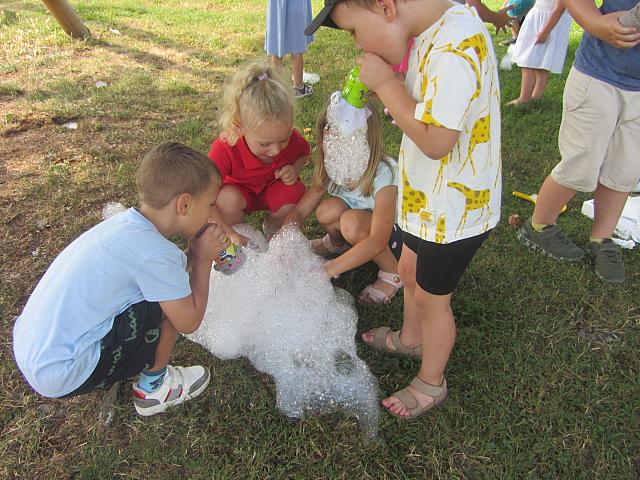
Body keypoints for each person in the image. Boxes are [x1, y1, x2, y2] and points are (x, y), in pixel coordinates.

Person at [306, 0, 501, 418]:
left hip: (455, 211)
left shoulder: (456, 47)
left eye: (356, 31)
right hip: (426, 198)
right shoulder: (433, 33)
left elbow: (435, 140)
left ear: (385, 7)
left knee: (433, 300)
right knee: (408, 272)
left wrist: (386, 86)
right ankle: (411, 340)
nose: (359, 45)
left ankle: (431, 382)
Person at [13, 143, 229, 416]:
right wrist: (202, 260)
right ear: (184, 204)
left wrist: (194, 254)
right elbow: (188, 320)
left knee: (165, 292)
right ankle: (154, 390)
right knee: (165, 310)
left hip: (34, 347)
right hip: (63, 370)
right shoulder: (156, 253)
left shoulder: (126, 226)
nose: (211, 212)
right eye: (209, 204)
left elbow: (161, 273)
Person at [516, 0, 640, 283]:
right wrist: (595, 23)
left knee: (624, 169)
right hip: (598, 78)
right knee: (580, 164)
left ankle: (602, 240)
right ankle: (539, 226)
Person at [285, 94, 403, 305]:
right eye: (329, 130)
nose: (334, 139)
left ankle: (392, 272)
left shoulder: (385, 174)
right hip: (361, 226)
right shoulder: (333, 168)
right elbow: (301, 211)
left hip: (394, 238)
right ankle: (337, 245)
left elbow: (378, 240)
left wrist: (328, 270)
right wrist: (283, 240)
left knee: (350, 222)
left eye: (345, 135)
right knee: (327, 210)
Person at [208, 62, 310, 240]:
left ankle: (273, 226)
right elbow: (204, 197)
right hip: (238, 192)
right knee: (225, 201)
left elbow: (303, 153)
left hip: (272, 189)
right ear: (238, 128)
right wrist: (230, 233)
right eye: (265, 144)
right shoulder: (224, 148)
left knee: (295, 192)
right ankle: (240, 232)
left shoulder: (291, 139)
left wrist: (295, 169)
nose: (276, 150)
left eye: (283, 140)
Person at [508, 0, 572, 105]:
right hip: (544, 18)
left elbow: (558, 9)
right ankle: (536, 97)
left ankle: (524, 98)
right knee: (541, 62)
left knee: (527, 61)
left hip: (546, 22)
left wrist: (545, 32)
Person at [265, 0, 315, 98]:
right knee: (296, 48)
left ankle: (275, 89)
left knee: (277, 47)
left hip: (277, 6)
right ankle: (298, 87)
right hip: (295, 5)